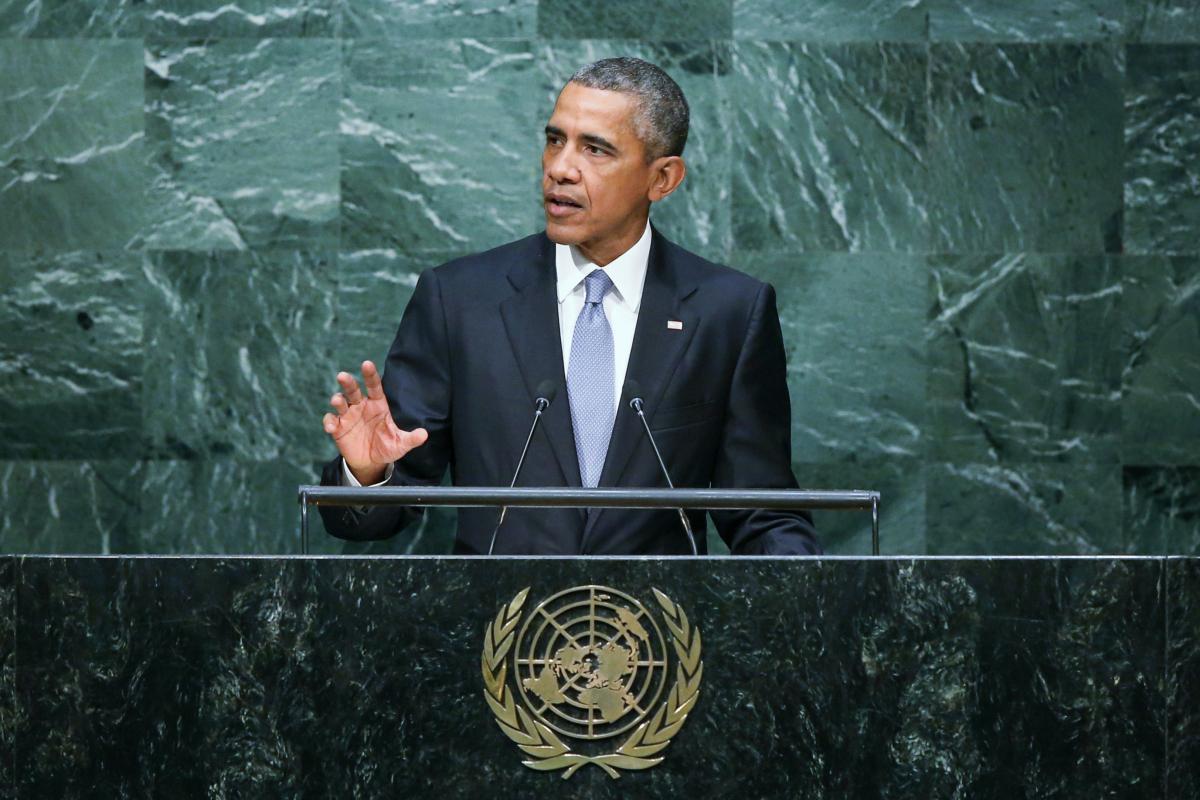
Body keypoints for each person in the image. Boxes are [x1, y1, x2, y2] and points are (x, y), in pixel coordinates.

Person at [318, 57, 820, 556]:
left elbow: (762, 511)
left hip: (657, 631)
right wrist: (367, 474)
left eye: (595, 149)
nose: (560, 168)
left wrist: (814, 597)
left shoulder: (728, 312)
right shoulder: (459, 301)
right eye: (555, 140)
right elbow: (378, 511)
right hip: (500, 627)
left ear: (662, 178)